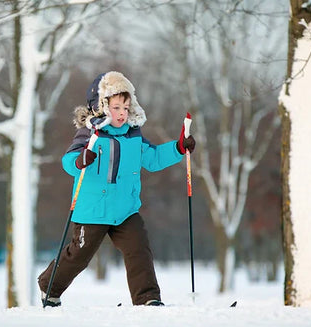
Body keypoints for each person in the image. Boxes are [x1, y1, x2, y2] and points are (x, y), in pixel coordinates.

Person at [37, 71, 195, 307]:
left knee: (138, 249)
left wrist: (179, 148)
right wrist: (81, 160)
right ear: (101, 105)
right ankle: (50, 287)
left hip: (125, 209)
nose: (122, 113)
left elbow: (152, 159)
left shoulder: (133, 135)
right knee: (78, 255)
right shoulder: (90, 134)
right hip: (93, 210)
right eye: (116, 107)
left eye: (126, 107)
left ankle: (147, 298)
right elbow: (68, 162)